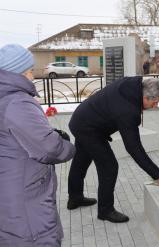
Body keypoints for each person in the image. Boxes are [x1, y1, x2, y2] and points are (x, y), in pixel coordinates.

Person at [0, 44, 76, 246]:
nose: (33, 77)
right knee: (36, 238)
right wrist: (68, 146)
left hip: (9, 188)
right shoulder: (17, 102)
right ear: (19, 72)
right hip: (24, 198)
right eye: (31, 71)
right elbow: (49, 148)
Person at [67, 76, 159, 223]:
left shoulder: (132, 84)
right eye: (155, 102)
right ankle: (105, 211)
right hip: (89, 129)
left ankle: (75, 198)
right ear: (145, 97)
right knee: (109, 166)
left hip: (81, 119)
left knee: (81, 160)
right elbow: (133, 148)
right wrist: (157, 174)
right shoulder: (128, 110)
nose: (156, 106)